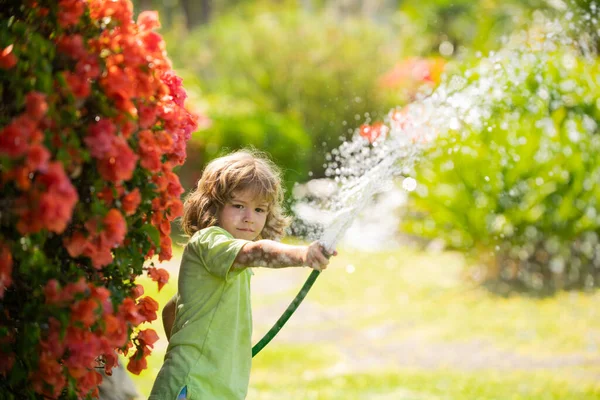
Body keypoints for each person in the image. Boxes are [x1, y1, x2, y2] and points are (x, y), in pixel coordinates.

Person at [149, 150, 335, 400]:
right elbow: (255, 251)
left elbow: (171, 310)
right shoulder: (211, 240)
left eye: (260, 210)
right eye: (238, 206)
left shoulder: (224, 262)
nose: (249, 218)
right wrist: (302, 255)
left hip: (216, 390)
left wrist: (207, 352)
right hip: (192, 387)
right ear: (212, 206)